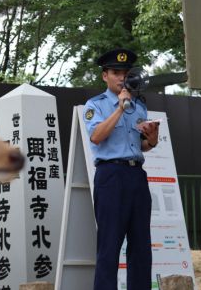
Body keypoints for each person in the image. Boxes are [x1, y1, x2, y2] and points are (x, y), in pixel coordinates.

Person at [83, 48, 159, 290]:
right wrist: (119, 108)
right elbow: (96, 136)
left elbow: (141, 145)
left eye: (125, 73)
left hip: (137, 175)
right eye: (115, 72)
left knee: (140, 246)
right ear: (105, 75)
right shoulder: (95, 105)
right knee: (109, 245)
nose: (121, 77)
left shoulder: (139, 107)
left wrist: (153, 140)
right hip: (111, 177)